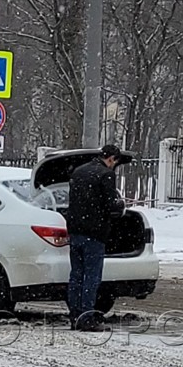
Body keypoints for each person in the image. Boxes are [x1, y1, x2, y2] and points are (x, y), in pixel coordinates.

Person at [65, 142, 129, 331]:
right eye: (114, 163)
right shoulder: (105, 174)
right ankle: (87, 317)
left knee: (76, 275)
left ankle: (74, 315)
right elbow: (110, 205)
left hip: (75, 230)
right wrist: (119, 205)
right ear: (111, 159)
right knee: (92, 277)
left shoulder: (78, 171)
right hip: (94, 233)